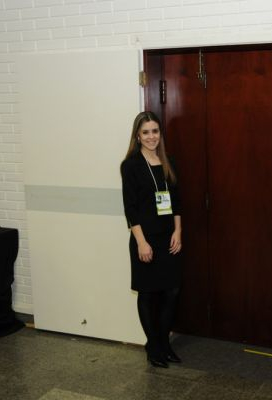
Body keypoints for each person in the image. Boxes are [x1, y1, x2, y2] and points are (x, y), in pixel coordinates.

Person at [120, 111, 183, 368]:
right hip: (145, 238)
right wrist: (141, 242)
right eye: (145, 132)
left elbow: (176, 202)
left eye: (155, 131)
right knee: (147, 293)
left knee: (172, 290)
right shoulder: (131, 165)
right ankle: (153, 345)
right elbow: (130, 208)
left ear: (160, 134)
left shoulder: (169, 161)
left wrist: (178, 232)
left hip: (168, 238)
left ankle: (164, 343)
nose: (151, 136)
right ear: (137, 136)